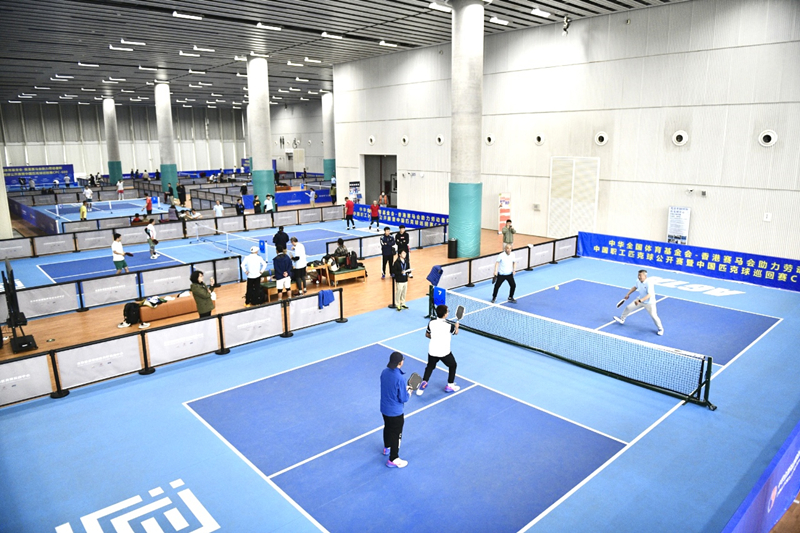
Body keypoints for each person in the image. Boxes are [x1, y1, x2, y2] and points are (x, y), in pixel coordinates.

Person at [417, 304, 461, 396]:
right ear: (445, 314)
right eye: (447, 311)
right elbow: (456, 332)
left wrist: (435, 338)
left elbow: (427, 335)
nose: (448, 313)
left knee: (430, 367)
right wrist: (456, 326)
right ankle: (450, 385)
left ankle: (423, 383)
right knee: (453, 365)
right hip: (444, 352)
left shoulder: (431, 323)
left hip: (432, 351)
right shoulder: (449, 326)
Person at [380, 351, 412, 468]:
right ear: (400, 363)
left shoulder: (384, 372)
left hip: (384, 409)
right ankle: (393, 458)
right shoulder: (400, 378)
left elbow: (390, 387)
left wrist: (403, 388)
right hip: (396, 413)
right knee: (396, 434)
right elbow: (404, 398)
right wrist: (409, 392)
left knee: (387, 427)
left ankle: (386, 447)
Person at [614, 269, 664, 336]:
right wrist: (628, 294)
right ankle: (622, 319)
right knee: (628, 307)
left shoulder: (649, 283)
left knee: (654, 316)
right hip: (640, 299)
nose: (639, 277)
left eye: (640, 275)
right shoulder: (638, 281)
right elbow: (635, 287)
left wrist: (640, 301)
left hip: (649, 303)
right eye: (638, 275)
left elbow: (650, 295)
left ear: (645, 276)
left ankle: (660, 329)